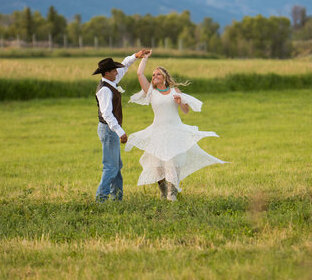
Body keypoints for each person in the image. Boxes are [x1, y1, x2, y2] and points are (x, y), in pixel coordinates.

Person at [125, 51, 224, 201]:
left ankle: (172, 194)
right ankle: (163, 192)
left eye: (158, 74)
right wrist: (144, 59)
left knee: (172, 163)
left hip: (174, 130)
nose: (154, 77)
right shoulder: (151, 92)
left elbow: (185, 111)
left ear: (164, 77)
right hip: (158, 131)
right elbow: (139, 74)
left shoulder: (174, 91)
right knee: (157, 164)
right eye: (153, 75)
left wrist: (180, 103)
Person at [93, 50, 149, 202]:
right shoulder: (105, 89)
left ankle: (117, 198)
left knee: (116, 166)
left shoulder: (112, 82)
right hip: (109, 129)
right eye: (114, 70)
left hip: (111, 130)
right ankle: (101, 199)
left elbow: (124, 65)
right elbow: (107, 114)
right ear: (107, 73)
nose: (117, 71)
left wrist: (136, 56)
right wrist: (120, 131)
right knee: (110, 167)